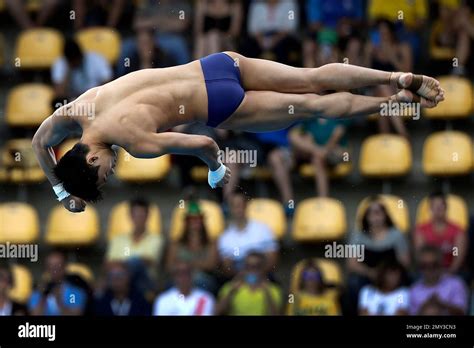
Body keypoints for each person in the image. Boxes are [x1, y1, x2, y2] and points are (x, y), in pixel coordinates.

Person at [32, 50, 445, 212]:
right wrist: (61, 190)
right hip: (216, 64)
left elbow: (206, 143)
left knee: (312, 106)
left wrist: (215, 171)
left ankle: (395, 102)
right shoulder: (77, 108)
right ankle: (394, 76)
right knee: (313, 76)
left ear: (89, 157)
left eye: (106, 170)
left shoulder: (135, 142)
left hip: (220, 104)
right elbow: (38, 141)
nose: (113, 168)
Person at [346, 198, 410, 315]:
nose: (375, 216)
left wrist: (389, 275)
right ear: (366, 216)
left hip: (391, 276)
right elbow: (352, 264)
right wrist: (371, 273)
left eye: (379, 212)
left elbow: (405, 262)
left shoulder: (396, 234)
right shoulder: (357, 236)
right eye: (371, 212)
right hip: (367, 276)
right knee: (353, 283)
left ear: (385, 215)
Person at [364, 19, 413, 138]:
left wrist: (392, 57)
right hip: (375, 89)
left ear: (392, 33)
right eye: (380, 34)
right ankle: (402, 134)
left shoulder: (402, 48)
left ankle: (385, 139)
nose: (383, 37)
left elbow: (408, 74)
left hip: (400, 89)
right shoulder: (373, 50)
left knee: (384, 99)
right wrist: (367, 54)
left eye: (385, 33)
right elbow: (363, 75)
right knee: (382, 90)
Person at [107, 197, 164, 294]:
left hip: (145, 282)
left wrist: (123, 264)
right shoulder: (118, 239)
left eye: (142, 215)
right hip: (120, 279)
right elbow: (108, 264)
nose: (139, 218)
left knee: (136, 265)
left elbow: (149, 261)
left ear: (147, 216)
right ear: (130, 216)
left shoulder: (156, 239)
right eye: (136, 215)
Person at [218, 191, 279, 278]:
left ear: (246, 206)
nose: (238, 209)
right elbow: (227, 267)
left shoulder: (263, 229)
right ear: (230, 209)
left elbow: (272, 259)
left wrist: (258, 277)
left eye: (240, 205)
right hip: (238, 281)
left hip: (264, 277)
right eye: (234, 206)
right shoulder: (225, 237)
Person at [289, 117, 351, 197]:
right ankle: (323, 198)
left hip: (337, 151)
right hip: (315, 153)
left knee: (319, 158)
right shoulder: (309, 119)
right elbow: (303, 136)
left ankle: (323, 198)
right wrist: (314, 147)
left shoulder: (337, 116)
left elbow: (338, 134)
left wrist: (326, 150)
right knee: (294, 136)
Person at [166, 201, 218, 292]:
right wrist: (198, 264)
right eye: (191, 219)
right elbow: (169, 266)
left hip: (202, 280)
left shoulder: (211, 243)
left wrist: (185, 264)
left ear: (202, 220)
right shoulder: (176, 243)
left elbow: (212, 265)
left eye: (198, 219)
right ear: (186, 221)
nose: (195, 222)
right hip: (180, 278)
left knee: (203, 282)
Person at [414, 192, 467, 274]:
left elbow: (457, 255)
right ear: (430, 208)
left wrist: (450, 272)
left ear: (446, 207)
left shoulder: (457, 230)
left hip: (452, 271)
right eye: (435, 205)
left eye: (441, 205)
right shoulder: (421, 230)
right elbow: (421, 255)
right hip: (428, 272)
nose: (438, 208)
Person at [215, 252, 282, 315]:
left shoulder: (273, 290)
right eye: (248, 266)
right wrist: (231, 292)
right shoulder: (230, 287)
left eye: (256, 267)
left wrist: (267, 293)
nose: (251, 270)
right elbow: (217, 312)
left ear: (263, 268)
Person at [410, 246, 468, 316]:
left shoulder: (456, 284)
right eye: (424, 266)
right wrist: (424, 307)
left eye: (434, 265)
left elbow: (462, 312)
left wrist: (442, 305)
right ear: (419, 267)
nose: (429, 269)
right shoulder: (414, 290)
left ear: (441, 264)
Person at [28, 251, 87, 316]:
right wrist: (43, 297)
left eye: (58, 266)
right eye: (50, 266)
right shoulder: (38, 293)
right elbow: (35, 314)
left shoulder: (73, 294)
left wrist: (59, 300)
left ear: (65, 267)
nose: (54, 270)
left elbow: (74, 314)